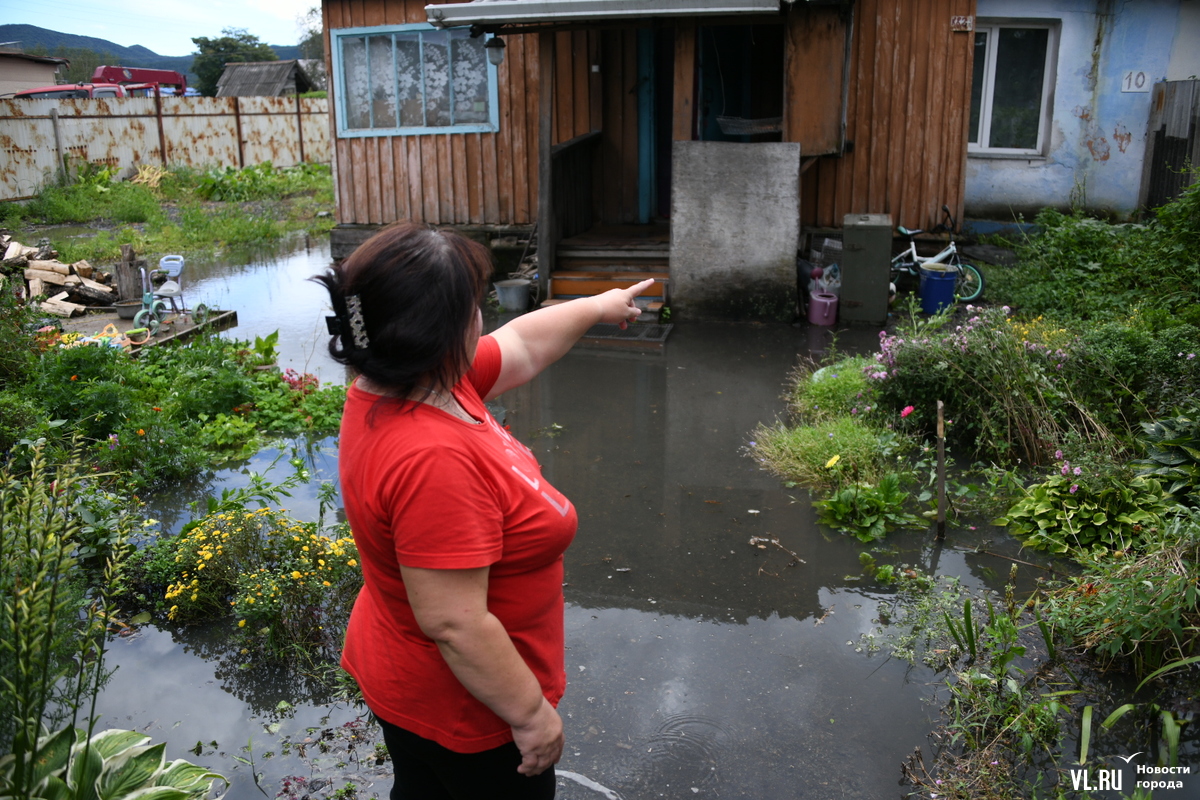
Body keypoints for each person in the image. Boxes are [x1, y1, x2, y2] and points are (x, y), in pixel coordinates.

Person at [314, 222, 655, 800]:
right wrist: (530, 716)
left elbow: (523, 343)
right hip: (469, 710)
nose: (484, 318)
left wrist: (597, 305)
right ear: (446, 334)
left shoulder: (412, 381)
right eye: (476, 306)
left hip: (407, 676)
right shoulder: (431, 455)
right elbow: (456, 622)